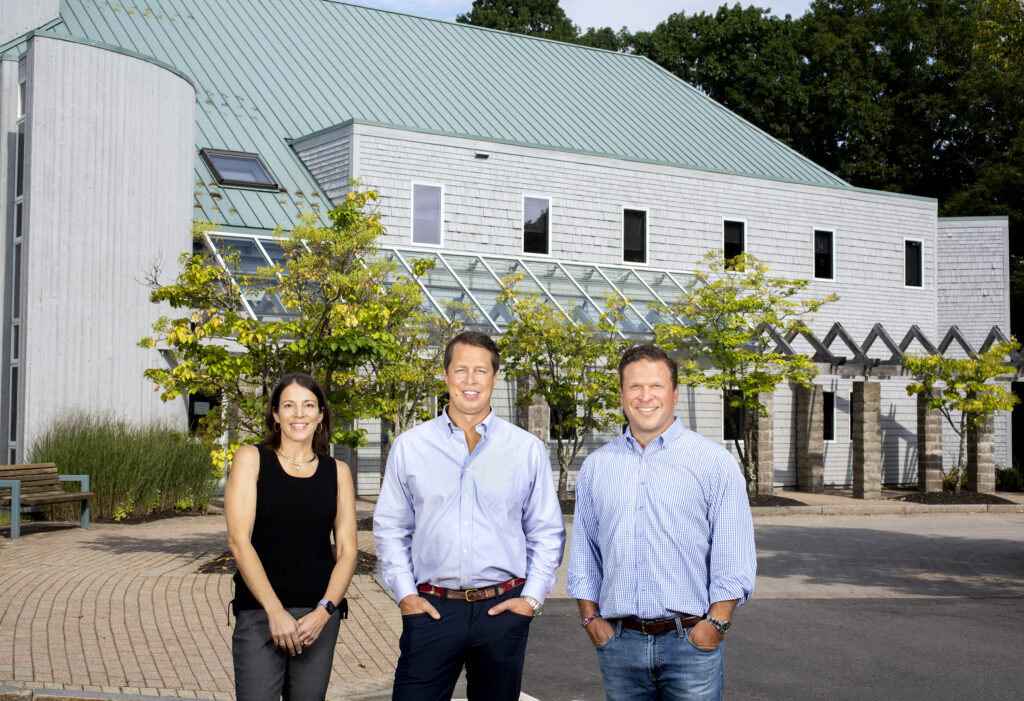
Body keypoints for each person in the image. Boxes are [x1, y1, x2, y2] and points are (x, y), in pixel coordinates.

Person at [373, 331, 566, 701]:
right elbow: (390, 529)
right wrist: (405, 596)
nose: (470, 380)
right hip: (431, 610)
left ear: (495, 378)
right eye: (461, 370)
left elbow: (546, 531)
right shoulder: (410, 447)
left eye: (481, 371)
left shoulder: (526, 449)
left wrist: (532, 600)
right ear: (445, 375)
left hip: (503, 608)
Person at [567, 344, 756, 701]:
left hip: (691, 644)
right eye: (635, 386)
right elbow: (585, 556)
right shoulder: (596, 467)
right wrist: (591, 621)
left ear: (675, 394)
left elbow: (733, 556)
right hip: (619, 644)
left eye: (656, 386)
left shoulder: (714, 463)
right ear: (622, 395)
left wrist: (715, 626)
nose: (645, 396)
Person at [226, 372, 358, 701]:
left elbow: (348, 551)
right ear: (275, 414)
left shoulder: (338, 472)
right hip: (260, 614)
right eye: (289, 405)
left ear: (321, 415)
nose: (299, 414)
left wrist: (324, 611)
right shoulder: (251, 459)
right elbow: (239, 542)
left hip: (317, 619)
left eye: (308, 405)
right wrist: (275, 611)